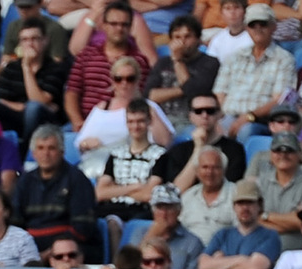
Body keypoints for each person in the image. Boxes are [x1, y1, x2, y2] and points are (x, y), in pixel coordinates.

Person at [195, 178, 281, 269]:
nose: (244, 208)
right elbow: (203, 266)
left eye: (249, 203)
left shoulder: (270, 236)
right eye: (240, 203)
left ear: (259, 205)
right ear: (234, 206)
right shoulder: (222, 234)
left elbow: (254, 268)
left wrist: (219, 263)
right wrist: (242, 260)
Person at [9, 124, 98, 259]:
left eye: (51, 148)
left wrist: (52, 253)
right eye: (41, 148)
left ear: (62, 152)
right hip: (30, 251)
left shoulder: (77, 179)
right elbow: (15, 225)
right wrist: (29, 252)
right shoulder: (25, 181)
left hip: (67, 253)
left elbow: (83, 227)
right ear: (34, 153)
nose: (46, 154)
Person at [64, 2, 151, 132]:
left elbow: (142, 97)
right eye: (113, 24)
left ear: (130, 27)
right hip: (85, 123)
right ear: (104, 25)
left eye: (124, 24)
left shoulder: (139, 61)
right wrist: (77, 121)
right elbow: (72, 93)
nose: (119, 29)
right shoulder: (86, 55)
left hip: (124, 126)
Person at [75, 57, 173, 172]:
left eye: (130, 79)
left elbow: (164, 141)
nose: (124, 83)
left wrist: (145, 106)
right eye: (118, 79)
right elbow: (80, 142)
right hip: (96, 162)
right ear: (112, 81)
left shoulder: (149, 107)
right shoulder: (102, 107)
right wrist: (86, 144)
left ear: (137, 80)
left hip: (133, 164)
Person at [213, 4, 293, 139]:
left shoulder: (284, 59)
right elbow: (219, 92)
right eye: (252, 25)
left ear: (273, 26)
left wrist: (249, 116)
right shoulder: (235, 57)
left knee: (246, 131)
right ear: (246, 28)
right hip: (228, 116)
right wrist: (219, 118)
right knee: (201, 132)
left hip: (259, 120)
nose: (258, 29)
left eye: (263, 24)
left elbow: (279, 100)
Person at [0, 17, 68, 142]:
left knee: (34, 108)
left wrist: (26, 67)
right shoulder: (11, 68)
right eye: (25, 40)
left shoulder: (55, 68)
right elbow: (2, 101)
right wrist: (23, 107)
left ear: (45, 41)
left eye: (34, 39)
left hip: (46, 122)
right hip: (16, 118)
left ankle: (26, 148)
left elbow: (38, 101)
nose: (30, 44)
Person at [151, 91, 245, 191]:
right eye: (198, 111)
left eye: (210, 111)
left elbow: (229, 188)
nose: (204, 115)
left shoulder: (235, 149)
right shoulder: (178, 151)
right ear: (190, 116)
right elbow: (177, 190)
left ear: (219, 114)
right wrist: (198, 148)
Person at [95, 99, 165, 226]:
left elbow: (148, 195)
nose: (135, 127)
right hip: (112, 208)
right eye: (131, 122)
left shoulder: (159, 155)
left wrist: (115, 189)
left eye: (140, 121)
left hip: (140, 210)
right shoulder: (116, 153)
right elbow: (100, 193)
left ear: (149, 121)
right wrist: (135, 187)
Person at [145, 14, 219, 131]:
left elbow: (194, 93)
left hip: (191, 121)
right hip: (161, 120)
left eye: (187, 37)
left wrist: (177, 61)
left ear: (198, 39)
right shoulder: (163, 62)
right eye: (177, 37)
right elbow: (150, 95)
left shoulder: (210, 63)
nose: (182, 42)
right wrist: (183, 89)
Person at [254, 131, 302, 250]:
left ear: (300, 155)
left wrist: (266, 215)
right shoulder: (261, 181)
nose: (283, 155)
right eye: (278, 150)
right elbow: (252, 220)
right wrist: (292, 220)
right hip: (261, 248)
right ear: (271, 155)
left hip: (298, 252)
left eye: (289, 150)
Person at [179, 146, 236, 242]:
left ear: (224, 170)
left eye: (215, 167)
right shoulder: (188, 197)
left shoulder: (236, 194)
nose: (209, 172)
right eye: (205, 167)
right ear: (197, 171)